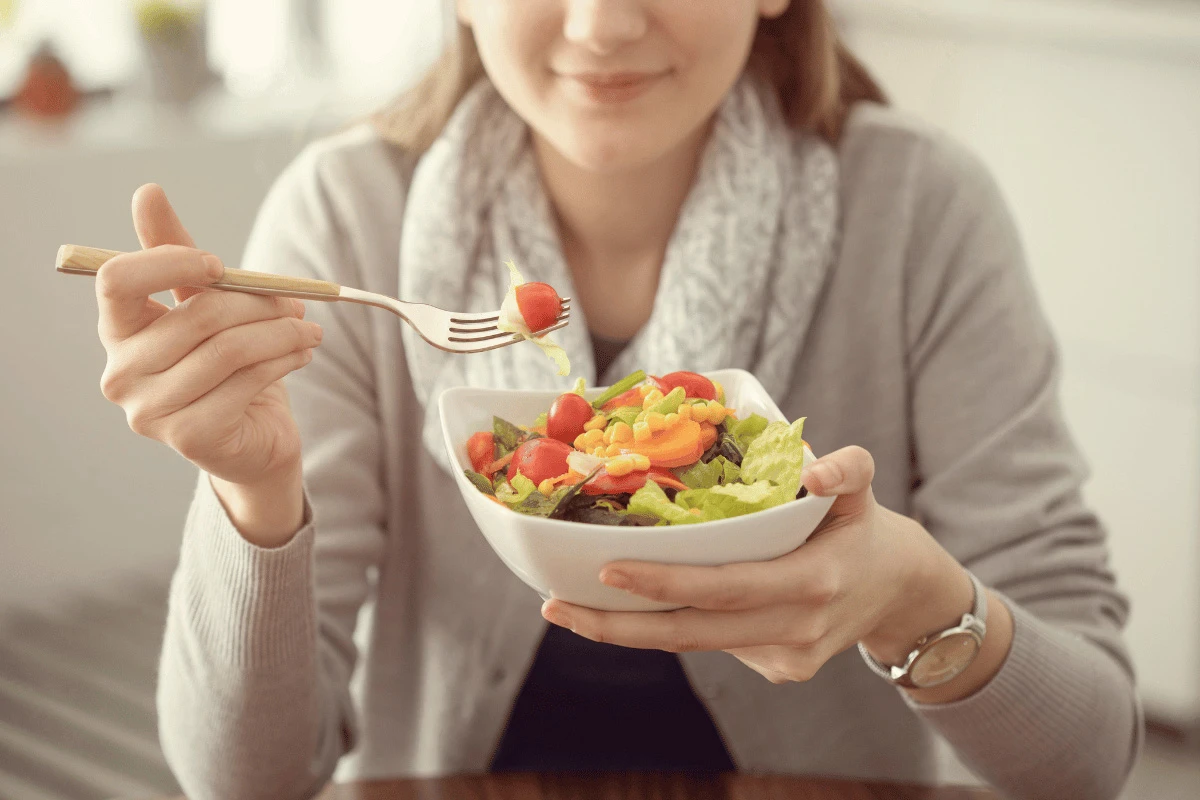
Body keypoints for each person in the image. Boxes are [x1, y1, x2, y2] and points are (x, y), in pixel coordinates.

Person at [89, 2, 1142, 799]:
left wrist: (914, 594)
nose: (602, 25)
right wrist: (253, 492)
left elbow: (1089, 754)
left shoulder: (921, 210)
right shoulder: (345, 215)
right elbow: (247, 778)